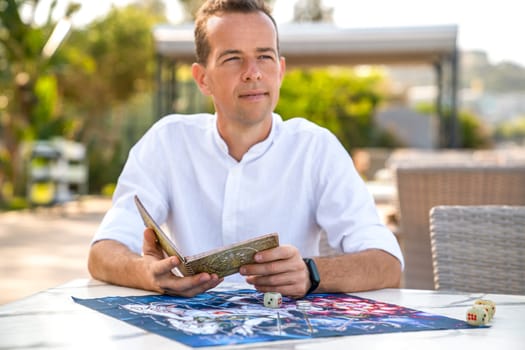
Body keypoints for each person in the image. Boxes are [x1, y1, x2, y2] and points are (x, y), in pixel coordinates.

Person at [88, 0, 403, 299]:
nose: (253, 72)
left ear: (280, 70)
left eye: (264, 56)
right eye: (232, 58)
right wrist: (147, 273)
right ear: (202, 78)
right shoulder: (167, 142)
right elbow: (103, 252)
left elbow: (387, 263)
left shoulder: (315, 148)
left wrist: (311, 273)